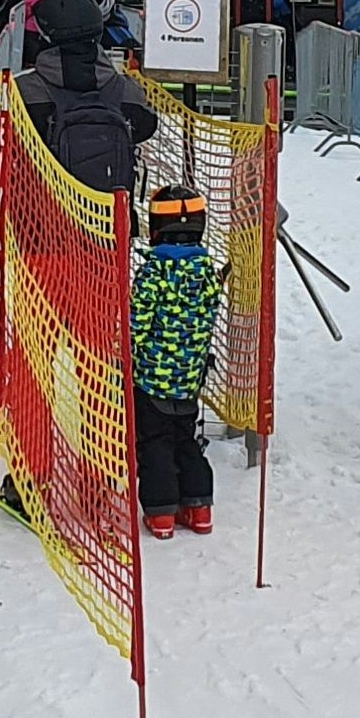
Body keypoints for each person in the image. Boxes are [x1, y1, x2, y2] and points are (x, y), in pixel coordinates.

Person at [131, 185, 224, 538]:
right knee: (185, 438)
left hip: (152, 377)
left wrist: (127, 353)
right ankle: (198, 506)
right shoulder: (206, 271)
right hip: (189, 376)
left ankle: (161, 513)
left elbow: (137, 323)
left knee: (155, 441)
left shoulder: (154, 272)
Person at [17, 0, 158, 198]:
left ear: (45, 35)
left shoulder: (23, 92)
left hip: (40, 210)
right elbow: (147, 126)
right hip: (112, 213)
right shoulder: (126, 91)